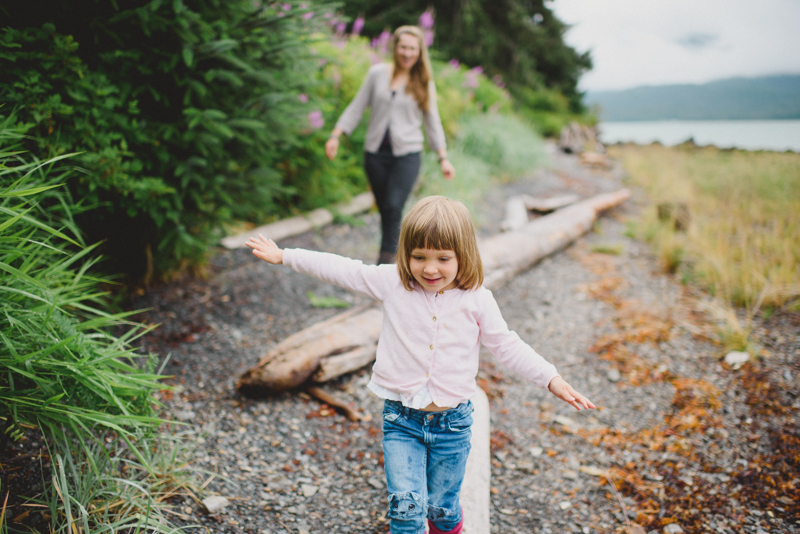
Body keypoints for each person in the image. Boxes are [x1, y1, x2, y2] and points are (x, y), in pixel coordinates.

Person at [246, 196, 595, 534]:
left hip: (453, 425)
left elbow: (507, 346)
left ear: (464, 256)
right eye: (419, 257)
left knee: (442, 510)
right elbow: (343, 269)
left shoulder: (477, 300)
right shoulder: (393, 284)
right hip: (402, 421)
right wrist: (285, 256)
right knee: (405, 508)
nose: (430, 268)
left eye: (443, 258)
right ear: (405, 255)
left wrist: (551, 378)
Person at [325, 25, 455, 265]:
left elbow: (432, 121)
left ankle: (386, 265)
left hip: (408, 154)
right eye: (403, 47)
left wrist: (442, 157)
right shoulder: (377, 74)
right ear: (395, 47)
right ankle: (399, 259)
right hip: (375, 154)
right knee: (386, 208)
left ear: (419, 52)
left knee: (394, 205)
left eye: (412, 48)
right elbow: (357, 106)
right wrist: (336, 135)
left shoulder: (424, 81)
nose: (407, 53)